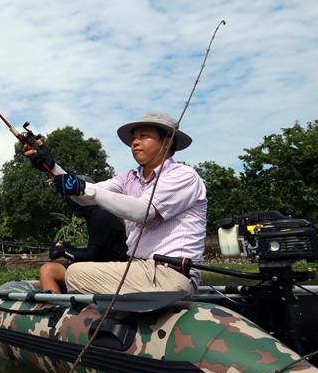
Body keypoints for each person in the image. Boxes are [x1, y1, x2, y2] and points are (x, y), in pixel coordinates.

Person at [26, 110, 207, 295]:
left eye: (144, 136)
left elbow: (141, 211)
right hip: (139, 269)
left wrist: (82, 187)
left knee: (74, 272)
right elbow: (85, 196)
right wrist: (51, 167)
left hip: (170, 274)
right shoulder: (129, 178)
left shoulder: (183, 175)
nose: (134, 142)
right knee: (69, 271)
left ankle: (57, 318)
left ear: (167, 142)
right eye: (133, 138)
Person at [39, 199, 127, 293]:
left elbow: (91, 256)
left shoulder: (100, 218)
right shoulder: (97, 214)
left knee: (48, 271)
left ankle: (57, 307)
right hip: (103, 266)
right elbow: (96, 252)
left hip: (113, 272)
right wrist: (69, 248)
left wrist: (64, 251)